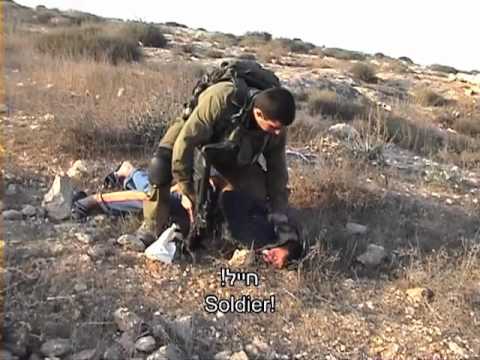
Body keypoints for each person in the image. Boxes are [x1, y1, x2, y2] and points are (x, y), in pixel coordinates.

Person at [142, 75, 302, 269]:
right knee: (159, 169)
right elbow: (185, 143)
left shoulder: (276, 126)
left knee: (255, 194)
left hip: (234, 152)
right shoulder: (222, 99)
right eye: (274, 127)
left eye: (281, 128)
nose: (278, 132)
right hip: (194, 136)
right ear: (258, 113)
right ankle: (150, 227)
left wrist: (278, 211)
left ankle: (215, 220)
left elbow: (277, 168)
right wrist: (186, 189)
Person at [72, 161, 300, 269]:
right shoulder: (272, 228)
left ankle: (130, 172)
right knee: (154, 199)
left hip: (208, 206)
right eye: (278, 259)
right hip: (204, 190)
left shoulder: (261, 247)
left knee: (157, 196)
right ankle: (96, 198)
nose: (271, 260)